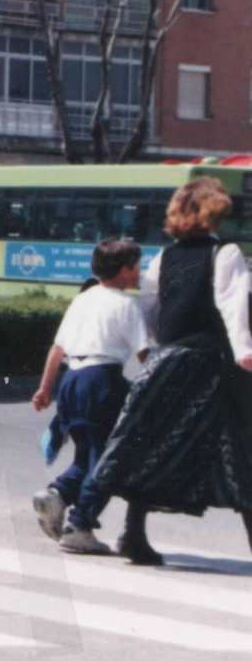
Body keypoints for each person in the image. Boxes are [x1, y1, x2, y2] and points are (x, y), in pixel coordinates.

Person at [79, 178, 252, 565]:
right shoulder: (226, 254)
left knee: (154, 445)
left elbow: (150, 309)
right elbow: (232, 305)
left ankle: (133, 534)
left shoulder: (163, 258)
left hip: (170, 361)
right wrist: (244, 351)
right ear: (212, 214)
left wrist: (161, 350)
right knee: (241, 448)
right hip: (213, 364)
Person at [30, 240, 151, 554]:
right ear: (124, 270)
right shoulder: (126, 305)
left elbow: (57, 349)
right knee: (110, 459)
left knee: (87, 454)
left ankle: (56, 495)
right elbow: (145, 355)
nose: (140, 272)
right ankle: (80, 525)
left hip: (71, 381)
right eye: (137, 266)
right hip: (102, 381)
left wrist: (45, 389)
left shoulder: (82, 301)